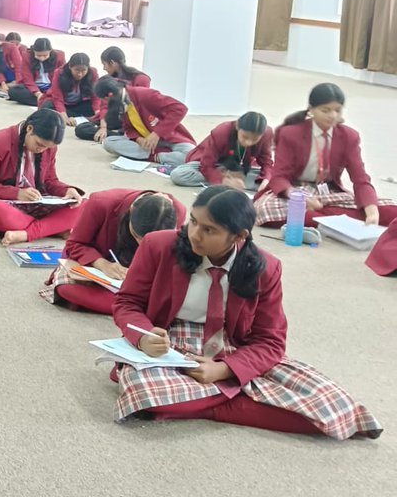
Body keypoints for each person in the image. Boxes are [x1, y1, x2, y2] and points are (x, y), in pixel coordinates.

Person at [111, 186, 381, 440]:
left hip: (231, 345)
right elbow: (127, 302)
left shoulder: (265, 268)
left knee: (335, 405)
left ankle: (205, 405)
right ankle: (231, 402)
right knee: (143, 389)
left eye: (209, 230)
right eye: (192, 221)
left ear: (239, 236)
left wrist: (225, 370)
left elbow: (271, 340)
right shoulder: (158, 245)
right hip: (172, 342)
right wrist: (143, 337)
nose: (194, 234)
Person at [252, 83, 396, 236]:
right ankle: (337, 218)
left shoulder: (349, 136)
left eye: (337, 110)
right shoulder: (290, 134)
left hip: (328, 192)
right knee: (264, 210)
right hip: (295, 190)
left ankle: (322, 218)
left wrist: (371, 211)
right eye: (325, 110)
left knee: (390, 209)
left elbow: (360, 179)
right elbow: (279, 177)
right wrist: (298, 197)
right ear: (311, 109)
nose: (333, 115)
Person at [40, 190, 182, 315]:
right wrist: (103, 264)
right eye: (138, 236)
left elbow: (168, 261)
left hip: (135, 283)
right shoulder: (101, 203)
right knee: (65, 288)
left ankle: (130, 308)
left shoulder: (178, 211)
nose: (142, 246)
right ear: (131, 210)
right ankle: (134, 309)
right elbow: (74, 244)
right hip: (95, 270)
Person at [0, 108, 84, 244]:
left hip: (32, 203)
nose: (42, 150)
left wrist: (67, 190)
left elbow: (49, 181)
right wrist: (17, 193)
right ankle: (52, 227)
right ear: (29, 129)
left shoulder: (49, 147)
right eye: (39, 144)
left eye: (48, 147)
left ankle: (25, 233)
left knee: (83, 205)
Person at [95, 77, 196, 165]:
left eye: (104, 100)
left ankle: (155, 156)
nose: (105, 104)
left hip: (169, 138)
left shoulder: (145, 94)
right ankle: (159, 155)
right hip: (146, 142)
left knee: (192, 157)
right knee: (108, 142)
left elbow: (180, 108)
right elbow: (128, 128)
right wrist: (138, 139)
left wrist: (157, 134)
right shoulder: (119, 103)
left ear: (108, 96)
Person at [171, 113, 273, 190]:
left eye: (255, 140)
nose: (248, 142)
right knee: (178, 175)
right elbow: (206, 164)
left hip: (241, 169)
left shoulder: (267, 134)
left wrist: (266, 180)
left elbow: (267, 162)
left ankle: (236, 182)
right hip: (215, 165)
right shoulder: (222, 131)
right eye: (245, 137)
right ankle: (232, 182)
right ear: (237, 127)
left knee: (274, 179)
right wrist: (223, 181)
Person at [76, 47, 152, 140]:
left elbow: (140, 108)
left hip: (131, 118)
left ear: (112, 63)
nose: (104, 68)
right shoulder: (107, 80)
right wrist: (103, 128)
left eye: (104, 64)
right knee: (81, 129)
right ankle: (120, 136)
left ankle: (127, 135)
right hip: (112, 117)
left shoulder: (141, 79)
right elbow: (104, 106)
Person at [41, 52, 98, 124]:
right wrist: (64, 117)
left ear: (88, 68)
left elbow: (95, 97)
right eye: (77, 70)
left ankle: (78, 117)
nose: (80, 74)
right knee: (47, 106)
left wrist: (98, 113)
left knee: (100, 107)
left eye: (83, 70)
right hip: (62, 104)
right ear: (70, 66)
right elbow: (57, 98)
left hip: (79, 104)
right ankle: (77, 117)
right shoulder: (59, 73)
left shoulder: (93, 73)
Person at [8, 37, 64, 106]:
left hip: (51, 87)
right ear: (33, 51)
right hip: (34, 88)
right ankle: (47, 102)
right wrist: (38, 93)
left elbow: (60, 78)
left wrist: (49, 92)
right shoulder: (27, 56)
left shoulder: (59, 56)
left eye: (45, 55)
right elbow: (28, 79)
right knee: (13, 91)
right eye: (38, 55)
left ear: (50, 51)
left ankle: (46, 101)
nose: (42, 58)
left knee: (64, 93)